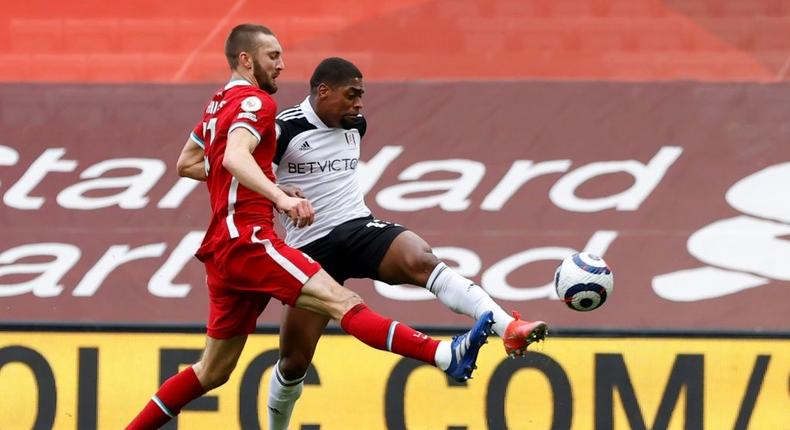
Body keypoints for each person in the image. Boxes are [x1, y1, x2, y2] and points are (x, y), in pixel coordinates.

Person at [126, 25, 494, 429]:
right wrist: (280, 198)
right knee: (344, 302)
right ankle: (445, 355)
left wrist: (270, 184)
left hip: (221, 249)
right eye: (272, 56)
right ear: (245, 59)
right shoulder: (257, 103)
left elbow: (188, 162)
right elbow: (234, 157)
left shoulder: (217, 104)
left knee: (211, 371)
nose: (282, 66)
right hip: (250, 240)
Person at [268, 57, 549, 429]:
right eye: (352, 95)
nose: (359, 105)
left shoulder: (356, 125)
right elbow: (245, 171)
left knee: (421, 258)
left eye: (362, 96)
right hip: (310, 249)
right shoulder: (284, 129)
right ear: (323, 91)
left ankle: (506, 327)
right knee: (293, 363)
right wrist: (281, 194)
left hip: (356, 227)